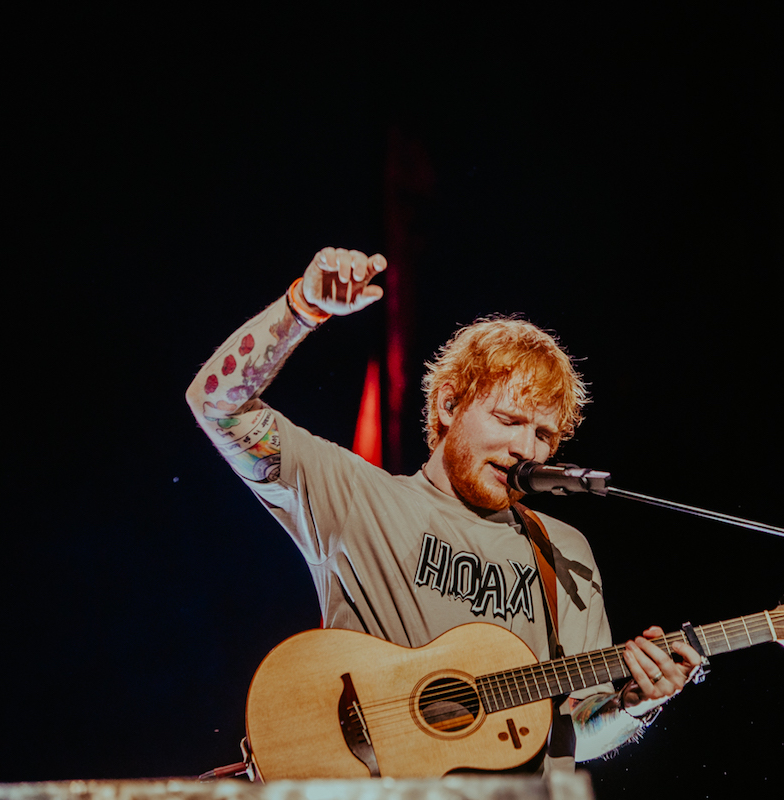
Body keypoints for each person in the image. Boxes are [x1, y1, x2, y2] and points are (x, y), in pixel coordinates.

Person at [185, 246, 702, 777]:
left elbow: (576, 728)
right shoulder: (358, 499)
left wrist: (636, 703)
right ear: (449, 405)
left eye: (543, 434)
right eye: (508, 419)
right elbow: (216, 403)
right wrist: (302, 309)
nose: (527, 447)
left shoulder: (564, 554)